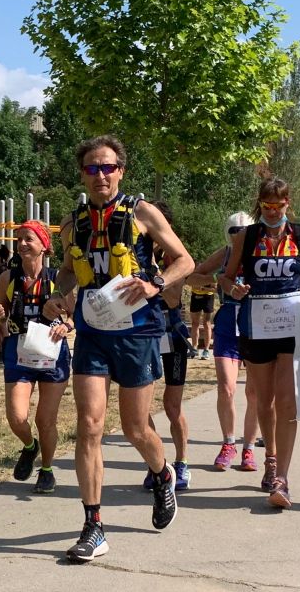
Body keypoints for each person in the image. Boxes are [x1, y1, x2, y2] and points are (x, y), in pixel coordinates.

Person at [53, 136, 192, 562]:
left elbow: (183, 260)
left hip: (138, 332)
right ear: (82, 174)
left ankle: (162, 471)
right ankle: (94, 525)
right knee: (90, 425)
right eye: (92, 168)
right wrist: (58, 298)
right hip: (93, 332)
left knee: (135, 429)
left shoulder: (141, 212)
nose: (101, 175)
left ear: (121, 171)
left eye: (107, 167)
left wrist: (154, 284)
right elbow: (67, 273)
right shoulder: (72, 223)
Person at [219, 177, 300, 509]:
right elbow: (226, 276)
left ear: (289, 202)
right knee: (265, 401)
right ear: (260, 204)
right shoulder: (246, 237)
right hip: (256, 324)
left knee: (287, 401)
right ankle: (271, 458)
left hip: (290, 323)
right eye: (267, 206)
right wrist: (233, 289)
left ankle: (283, 478)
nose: (273, 212)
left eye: (279, 206)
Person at [0, 221, 71, 498]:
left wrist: (67, 326)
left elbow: (75, 315)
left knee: (45, 419)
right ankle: (29, 446)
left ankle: (46, 469)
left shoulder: (59, 278)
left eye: (29, 239)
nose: (22, 244)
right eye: (19, 239)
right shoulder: (7, 278)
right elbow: (2, 315)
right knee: (17, 417)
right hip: (19, 350)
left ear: (44, 246)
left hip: (52, 352)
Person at [188, 213, 262, 473]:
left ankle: (249, 448)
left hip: (256, 325)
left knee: (254, 393)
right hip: (228, 324)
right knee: (226, 388)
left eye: (244, 229)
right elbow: (192, 277)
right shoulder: (226, 253)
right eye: (234, 230)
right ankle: (229, 443)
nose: (238, 234)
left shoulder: (262, 254)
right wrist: (218, 279)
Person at [142, 200, 193, 492]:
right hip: (143, 337)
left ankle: (182, 462)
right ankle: (157, 463)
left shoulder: (175, 256)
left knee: (172, 406)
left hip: (171, 335)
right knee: (141, 407)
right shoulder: (136, 253)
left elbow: (173, 298)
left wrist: (155, 274)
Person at [188, 280, 215, 360]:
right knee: (194, 323)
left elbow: (214, 288)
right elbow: (190, 282)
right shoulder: (195, 268)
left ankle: (206, 350)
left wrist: (203, 288)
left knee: (206, 323)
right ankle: (194, 348)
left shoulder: (211, 270)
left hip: (208, 297)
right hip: (195, 296)